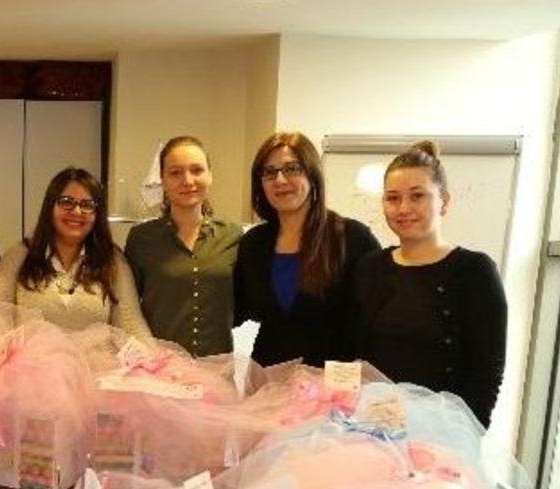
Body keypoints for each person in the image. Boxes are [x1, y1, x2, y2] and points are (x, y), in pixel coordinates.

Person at [355, 140, 507, 427]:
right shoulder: (370, 267)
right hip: (371, 427)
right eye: (392, 198)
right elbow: (354, 356)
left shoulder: (474, 272)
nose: (403, 208)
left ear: (444, 202)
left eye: (417, 196)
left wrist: (459, 435)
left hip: (442, 434)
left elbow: (486, 374)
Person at [234, 132, 380, 366]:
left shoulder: (352, 238)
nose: (280, 180)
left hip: (332, 383)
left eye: (292, 168)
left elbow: (374, 324)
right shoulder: (253, 243)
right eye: (269, 172)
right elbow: (235, 310)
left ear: (312, 175)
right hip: (267, 379)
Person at [0, 167, 150, 335]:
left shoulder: (112, 260)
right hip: (31, 352)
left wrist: (151, 352)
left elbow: (131, 325)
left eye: (87, 205)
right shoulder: (19, 255)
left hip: (96, 353)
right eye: (67, 202)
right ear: (50, 206)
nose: (77, 211)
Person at [125, 136, 242, 356]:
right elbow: (128, 309)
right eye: (175, 172)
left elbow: (244, 302)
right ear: (162, 180)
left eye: (197, 170)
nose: (187, 181)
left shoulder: (232, 235)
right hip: (161, 367)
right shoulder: (141, 239)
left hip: (217, 367)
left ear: (210, 175)